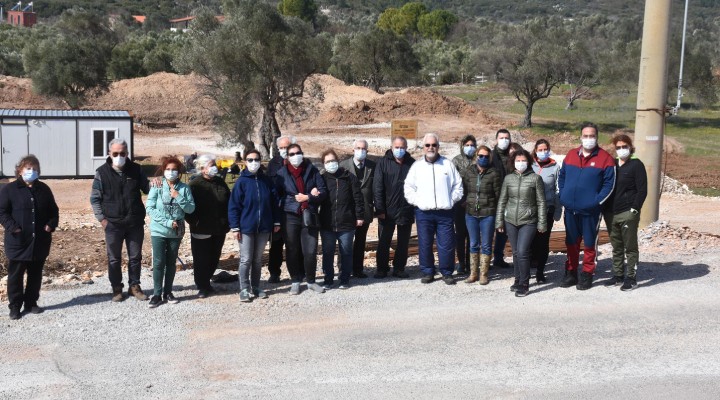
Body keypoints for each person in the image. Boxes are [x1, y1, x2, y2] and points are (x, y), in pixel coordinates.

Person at [90, 138, 150, 302]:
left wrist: (158, 181)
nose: (119, 156)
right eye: (115, 153)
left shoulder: (136, 170)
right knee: (114, 258)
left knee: (135, 257)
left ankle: (134, 286)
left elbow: (148, 189)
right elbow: (95, 199)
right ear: (109, 153)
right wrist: (102, 219)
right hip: (113, 225)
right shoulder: (101, 173)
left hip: (135, 223)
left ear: (127, 153)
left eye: (122, 153)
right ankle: (117, 288)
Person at [558, 122, 616, 290]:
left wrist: (595, 202)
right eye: (586, 136)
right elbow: (562, 177)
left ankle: (587, 273)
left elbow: (609, 185)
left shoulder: (606, 158)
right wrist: (563, 195)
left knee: (590, 243)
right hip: (570, 209)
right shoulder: (570, 155)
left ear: (597, 137)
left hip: (591, 211)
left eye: (592, 136)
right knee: (571, 242)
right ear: (580, 137)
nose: (588, 139)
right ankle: (571, 272)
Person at [0, 155, 59, 320]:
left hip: (39, 241)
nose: (31, 171)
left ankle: (31, 303)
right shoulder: (9, 190)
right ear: (20, 170)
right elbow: (2, 212)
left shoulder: (44, 189)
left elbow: (54, 211)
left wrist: (51, 224)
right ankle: (15, 306)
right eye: (28, 168)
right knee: (16, 276)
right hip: (18, 241)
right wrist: (13, 227)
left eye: (34, 169)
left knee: (35, 274)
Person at [404, 133, 464, 284]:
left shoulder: (447, 164)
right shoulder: (417, 166)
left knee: (446, 244)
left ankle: (447, 272)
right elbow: (408, 188)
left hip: (445, 213)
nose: (431, 148)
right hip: (424, 213)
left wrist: (451, 200)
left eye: (434, 145)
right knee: (425, 243)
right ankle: (427, 271)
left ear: (438, 146)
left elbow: (458, 186)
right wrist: (418, 202)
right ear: (423, 147)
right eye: (427, 145)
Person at [228, 149, 281, 302]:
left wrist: (276, 221)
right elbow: (234, 206)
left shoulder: (266, 181)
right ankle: (244, 288)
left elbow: (274, 202)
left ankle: (256, 286)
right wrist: (235, 227)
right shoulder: (241, 182)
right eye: (250, 160)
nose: (253, 162)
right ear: (245, 162)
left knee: (257, 259)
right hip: (246, 228)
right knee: (246, 259)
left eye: (256, 159)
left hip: (264, 227)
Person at [276, 143, 328, 295]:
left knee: (310, 250)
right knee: (292, 249)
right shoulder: (281, 173)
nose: (295, 156)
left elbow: (323, 192)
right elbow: (276, 196)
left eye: (297, 153)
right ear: (287, 156)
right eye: (291, 154)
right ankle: (295, 281)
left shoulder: (312, 171)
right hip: (289, 216)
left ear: (302, 153)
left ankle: (311, 281)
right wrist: (292, 200)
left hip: (309, 215)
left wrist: (308, 197)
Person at [145, 156, 195, 308]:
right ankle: (156, 293)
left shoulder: (185, 188)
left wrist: (178, 197)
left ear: (179, 172)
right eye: (168, 169)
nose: (171, 172)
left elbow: (191, 209)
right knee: (159, 262)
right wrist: (167, 222)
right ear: (163, 170)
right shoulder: (157, 185)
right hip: (159, 230)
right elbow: (150, 208)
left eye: (174, 170)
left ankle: (168, 292)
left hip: (176, 232)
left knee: (171, 262)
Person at [495, 149, 547, 297]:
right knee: (516, 252)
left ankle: (525, 283)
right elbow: (502, 200)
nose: (521, 163)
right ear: (513, 162)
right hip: (510, 220)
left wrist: (542, 223)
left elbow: (541, 202)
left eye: (523, 160)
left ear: (528, 162)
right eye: (518, 160)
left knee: (523, 251)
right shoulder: (508, 179)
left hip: (528, 220)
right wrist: (499, 221)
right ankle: (517, 279)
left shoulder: (535, 179)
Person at [603, 134, 647, 291]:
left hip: (627, 212)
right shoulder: (612, 165)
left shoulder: (636, 165)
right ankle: (618, 275)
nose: (621, 150)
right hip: (610, 213)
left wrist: (635, 208)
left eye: (624, 146)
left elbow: (642, 190)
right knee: (616, 245)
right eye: (618, 147)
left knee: (630, 246)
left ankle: (631, 277)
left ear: (630, 147)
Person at [185, 154, 230, 298]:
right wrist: (194, 222)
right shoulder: (195, 184)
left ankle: (208, 283)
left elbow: (228, 201)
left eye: (214, 164)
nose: (214, 167)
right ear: (203, 168)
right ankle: (202, 286)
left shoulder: (220, 182)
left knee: (214, 257)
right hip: (201, 228)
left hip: (219, 228)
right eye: (211, 165)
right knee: (201, 259)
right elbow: (187, 207)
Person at [319, 149, 364, 289]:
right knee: (327, 253)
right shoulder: (322, 179)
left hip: (347, 223)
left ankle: (344, 279)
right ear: (323, 164)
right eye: (327, 162)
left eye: (333, 160)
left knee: (346, 252)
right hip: (327, 224)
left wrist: (359, 216)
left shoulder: (349, 177)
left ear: (338, 161)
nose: (331, 163)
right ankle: (328, 279)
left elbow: (358, 198)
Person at [373, 136, 415, 279]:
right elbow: (377, 187)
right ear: (392, 147)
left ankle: (399, 268)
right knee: (384, 241)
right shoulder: (383, 163)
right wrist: (379, 209)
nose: (399, 150)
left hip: (406, 209)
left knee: (403, 242)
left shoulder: (412, 164)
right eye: (397, 147)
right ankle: (381, 268)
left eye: (402, 147)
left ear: (406, 148)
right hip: (387, 210)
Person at [460, 145, 501, 285]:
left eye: (486, 156)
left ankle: (484, 274)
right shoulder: (469, 172)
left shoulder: (494, 173)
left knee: (486, 244)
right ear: (476, 156)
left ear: (489, 158)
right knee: (473, 243)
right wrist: (464, 201)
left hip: (488, 214)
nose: (483, 158)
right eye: (480, 156)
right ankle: (473, 273)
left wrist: (497, 212)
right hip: (471, 214)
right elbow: (462, 188)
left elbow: (498, 195)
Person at [340, 139, 375, 279]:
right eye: (358, 148)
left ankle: (358, 269)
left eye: (364, 148)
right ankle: (343, 269)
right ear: (353, 149)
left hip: (365, 210)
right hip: (347, 211)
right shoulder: (343, 166)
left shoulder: (373, 166)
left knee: (360, 242)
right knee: (345, 242)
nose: (361, 151)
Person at [529, 139, 563, 283]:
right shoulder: (529, 165)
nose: (543, 152)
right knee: (529, 240)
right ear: (535, 151)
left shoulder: (555, 167)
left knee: (543, 242)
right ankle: (528, 267)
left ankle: (540, 272)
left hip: (547, 210)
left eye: (545, 149)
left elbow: (558, 189)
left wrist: (557, 211)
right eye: (540, 150)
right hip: (529, 210)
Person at [266, 135, 297, 283]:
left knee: (295, 244)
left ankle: (298, 272)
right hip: (278, 211)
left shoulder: (299, 161)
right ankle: (274, 272)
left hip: (294, 209)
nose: (284, 150)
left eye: (287, 147)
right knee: (276, 245)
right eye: (282, 148)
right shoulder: (274, 163)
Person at [451, 134, 476, 274]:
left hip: (474, 204)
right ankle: (461, 263)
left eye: (472, 145)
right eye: (467, 145)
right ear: (462, 146)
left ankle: (471, 262)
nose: (470, 148)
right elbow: (452, 183)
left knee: (472, 234)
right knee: (460, 234)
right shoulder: (455, 161)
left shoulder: (479, 159)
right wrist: (460, 201)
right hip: (459, 205)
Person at [491, 129, 512, 269]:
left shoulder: (513, 156)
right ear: (496, 140)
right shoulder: (491, 157)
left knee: (503, 231)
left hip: (509, 199)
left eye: (506, 138)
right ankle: (485, 260)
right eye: (501, 137)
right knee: (488, 231)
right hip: (492, 199)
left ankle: (498, 258)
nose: (504, 140)